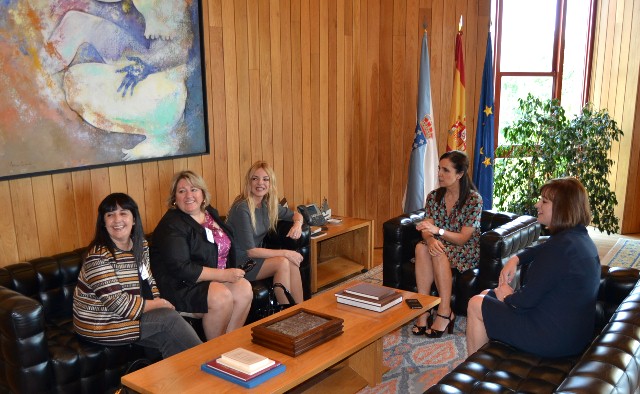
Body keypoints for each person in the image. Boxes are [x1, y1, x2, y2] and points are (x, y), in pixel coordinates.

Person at [466, 177, 600, 357]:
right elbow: (543, 248)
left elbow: (524, 301)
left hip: (551, 338)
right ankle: (485, 359)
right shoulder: (577, 238)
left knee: (476, 304)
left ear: (563, 208)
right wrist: (516, 259)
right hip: (571, 334)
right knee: (484, 295)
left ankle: (474, 372)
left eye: (544, 201)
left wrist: (507, 296)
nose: (538, 205)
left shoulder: (559, 249)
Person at [73, 193, 201, 358]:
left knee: (169, 338)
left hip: (131, 315)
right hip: (100, 323)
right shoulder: (98, 257)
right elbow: (119, 305)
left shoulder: (140, 245)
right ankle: (209, 362)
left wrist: (157, 301)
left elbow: (149, 281)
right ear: (103, 223)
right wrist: (157, 305)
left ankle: (176, 382)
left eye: (123, 213)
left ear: (134, 219)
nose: (117, 219)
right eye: (110, 215)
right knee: (169, 318)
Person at [150, 171, 253, 340]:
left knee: (244, 288)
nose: (189, 195)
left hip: (211, 280)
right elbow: (181, 268)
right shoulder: (171, 225)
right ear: (174, 198)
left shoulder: (209, 213)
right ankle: (215, 351)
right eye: (182, 191)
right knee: (221, 295)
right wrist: (224, 275)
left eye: (194, 189)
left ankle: (230, 344)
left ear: (203, 194)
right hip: (181, 285)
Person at [413, 151, 483, 337]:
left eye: (446, 170)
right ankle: (424, 308)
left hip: (465, 249)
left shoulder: (473, 200)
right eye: (439, 169)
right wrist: (429, 239)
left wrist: (438, 233)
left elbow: (463, 239)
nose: (439, 174)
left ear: (459, 174)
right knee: (421, 247)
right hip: (440, 243)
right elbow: (427, 228)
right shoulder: (434, 196)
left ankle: (445, 311)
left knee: (438, 251)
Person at [226, 161, 305, 305]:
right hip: (238, 262)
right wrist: (286, 252)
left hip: (254, 259)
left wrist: (297, 225)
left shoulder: (268, 205)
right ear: (248, 182)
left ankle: (300, 311)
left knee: (292, 262)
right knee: (283, 261)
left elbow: (296, 215)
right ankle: (285, 314)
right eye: (255, 178)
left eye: (265, 179)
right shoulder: (241, 208)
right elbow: (251, 251)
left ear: (270, 183)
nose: (260, 183)